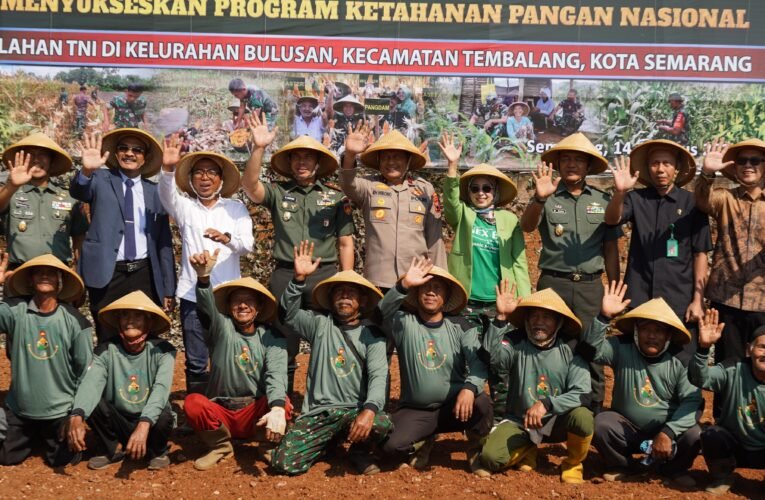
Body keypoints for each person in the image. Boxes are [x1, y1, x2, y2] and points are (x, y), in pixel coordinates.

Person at [242, 112, 354, 396]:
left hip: (325, 276)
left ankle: (325, 400)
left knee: (328, 342)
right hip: (285, 274)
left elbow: (345, 243)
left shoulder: (336, 197)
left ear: (318, 163)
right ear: (290, 163)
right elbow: (250, 187)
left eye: (308, 157)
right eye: (296, 157)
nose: (302, 162)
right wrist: (258, 148)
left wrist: (346, 278)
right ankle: (282, 402)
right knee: (283, 340)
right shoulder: (278, 192)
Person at [520, 132, 621, 413]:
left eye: (579, 159)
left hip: (591, 287)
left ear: (589, 166)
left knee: (592, 351)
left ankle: (593, 414)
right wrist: (539, 199)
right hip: (553, 284)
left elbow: (611, 247)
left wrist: (613, 287)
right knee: (548, 347)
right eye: (566, 159)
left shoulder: (604, 200)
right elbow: (527, 227)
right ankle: (547, 408)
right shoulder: (547, 197)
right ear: (558, 165)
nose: (572, 164)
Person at [272, 242, 391, 475]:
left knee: (381, 423)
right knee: (285, 463)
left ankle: (358, 451)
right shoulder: (319, 324)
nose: (345, 297)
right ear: (331, 297)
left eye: (352, 293)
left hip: (354, 411)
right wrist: (298, 280)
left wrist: (369, 410)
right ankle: (327, 443)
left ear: (363, 301)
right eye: (339, 292)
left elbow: (379, 377)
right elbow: (288, 314)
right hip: (320, 413)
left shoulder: (372, 336)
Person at [376, 258, 491, 475]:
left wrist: (470, 387)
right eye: (425, 287)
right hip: (416, 409)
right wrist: (403, 285)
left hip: (454, 407)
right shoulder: (403, 322)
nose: (430, 292)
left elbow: (478, 363)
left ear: (446, 297)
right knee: (390, 447)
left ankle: (476, 451)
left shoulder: (459, 325)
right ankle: (423, 439)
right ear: (417, 293)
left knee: (481, 401)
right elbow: (378, 315)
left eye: (437, 288)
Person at [581, 288, 702, 488]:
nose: (651, 336)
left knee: (694, 434)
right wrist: (603, 317)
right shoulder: (621, 347)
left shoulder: (681, 360)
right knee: (600, 423)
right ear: (636, 331)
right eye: (646, 329)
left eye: (658, 330)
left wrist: (668, 433)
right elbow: (589, 352)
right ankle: (625, 466)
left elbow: (693, 402)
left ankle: (673, 470)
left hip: (667, 433)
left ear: (668, 335)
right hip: (628, 428)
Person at [159, 137, 253, 394]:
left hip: (226, 296)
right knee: (197, 360)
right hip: (192, 294)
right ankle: (196, 411)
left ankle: (227, 403)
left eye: (212, 172)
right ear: (190, 179)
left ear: (221, 180)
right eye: (199, 172)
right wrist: (167, 169)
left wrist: (228, 239)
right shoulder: (185, 207)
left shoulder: (236, 209)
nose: (205, 177)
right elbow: (166, 195)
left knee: (227, 355)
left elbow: (248, 244)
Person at [183, 249, 290, 470]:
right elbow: (206, 309)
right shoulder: (222, 328)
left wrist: (277, 407)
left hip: (253, 413)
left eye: (249, 301)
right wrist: (203, 279)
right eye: (237, 301)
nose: (242, 306)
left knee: (284, 403)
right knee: (193, 403)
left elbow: (276, 374)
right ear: (229, 307)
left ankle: (266, 445)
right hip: (222, 409)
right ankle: (220, 446)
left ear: (259, 308)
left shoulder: (272, 338)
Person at [477, 284, 592, 484]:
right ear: (527, 319)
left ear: (558, 321)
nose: (539, 322)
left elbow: (582, 393)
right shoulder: (514, 341)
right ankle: (526, 447)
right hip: (520, 421)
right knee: (490, 458)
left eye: (547, 317)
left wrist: (548, 404)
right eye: (534, 316)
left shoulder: (571, 347)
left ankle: (573, 463)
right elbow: (492, 359)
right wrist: (501, 317)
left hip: (557, 420)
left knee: (583, 417)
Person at [71, 130, 176, 342]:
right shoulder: (100, 179)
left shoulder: (155, 192)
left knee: (144, 338)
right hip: (107, 274)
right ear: (116, 154)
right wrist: (87, 171)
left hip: (144, 274)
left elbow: (164, 242)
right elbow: (79, 191)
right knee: (107, 336)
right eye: (123, 148)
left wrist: (168, 286)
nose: (130, 153)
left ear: (145, 158)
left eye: (137, 150)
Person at [606, 139, 711, 347]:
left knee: (681, 360)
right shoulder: (636, 198)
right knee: (637, 361)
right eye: (655, 163)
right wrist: (620, 193)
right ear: (648, 168)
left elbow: (701, 254)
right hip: (640, 296)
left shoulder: (691, 203)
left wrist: (698, 301)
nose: (660, 169)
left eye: (666, 163)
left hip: (679, 298)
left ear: (677, 168)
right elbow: (611, 219)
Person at [0, 254, 93, 467]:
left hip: (59, 411)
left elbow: (86, 372)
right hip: (20, 410)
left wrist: (77, 414)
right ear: (30, 279)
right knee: (6, 458)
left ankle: (48, 437)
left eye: (51, 272)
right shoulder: (15, 311)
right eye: (38, 272)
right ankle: (28, 435)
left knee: (62, 460)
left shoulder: (76, 322)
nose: (44, 275)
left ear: (60, 281)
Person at [67, 291, 176, 471]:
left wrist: (144, 424)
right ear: (118, 321)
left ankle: (157, 451)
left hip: (148, 421)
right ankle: (111, 448)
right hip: (119, 418)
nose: (130, 321)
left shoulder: (163, 351)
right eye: (124, 315)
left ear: (149, 322)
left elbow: (161, 389)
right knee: (94, 402)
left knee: (164, 414)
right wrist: (77, 415)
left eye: (138, 316)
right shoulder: (106, 350)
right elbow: (92, 384)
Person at [440, 132, 530, 327]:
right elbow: (450, 203)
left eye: (487, 188)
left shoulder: (509, 219)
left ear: (495, 192)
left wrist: (524, 297)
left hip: (499, 301)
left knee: (496, 353)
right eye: (475, 188)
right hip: (466, 298)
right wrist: (452, 166)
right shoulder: (463, 214)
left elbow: (519, 261)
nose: (481, 193)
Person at [340, 126, 447, 291]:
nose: (391, 162)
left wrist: (439, 279)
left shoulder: (425, 190)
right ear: (379, 162)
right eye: (385, 158)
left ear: (408, 160)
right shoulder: (369, 186)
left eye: (397, 157)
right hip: (378, 278)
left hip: (415, 277)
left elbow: (435, 240)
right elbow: (348, 184)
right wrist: (349, 155)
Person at [695, 138, 765, 365]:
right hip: (727, 301)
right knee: (727, 368)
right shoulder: (725, 198)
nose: (748, 165)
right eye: (742, 161)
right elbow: (701, 200)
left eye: (755, 160)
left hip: (763, 303)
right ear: (734, 167)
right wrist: (707, 173)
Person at [689, 310, 765, 495]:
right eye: (762, 347)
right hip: (735, 445)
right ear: (749, 349)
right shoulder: (734, 368)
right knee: (711, 435)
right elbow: (700, 378)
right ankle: (722, 476)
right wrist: (704, 348)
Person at [0, 132, 88, 270]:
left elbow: (79, 236)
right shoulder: (10, 192)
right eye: (30, 155)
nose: (36, 160)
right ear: (22, 159)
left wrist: (79, 267)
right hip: (18, 271)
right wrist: (11, 185)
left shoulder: (69, 197)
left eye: (42, 154)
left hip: (58, 270)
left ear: (52, 162)